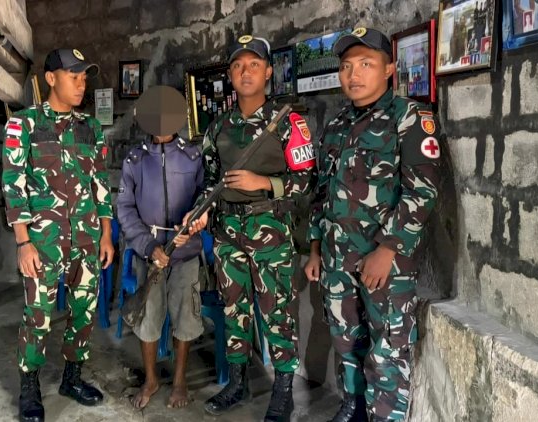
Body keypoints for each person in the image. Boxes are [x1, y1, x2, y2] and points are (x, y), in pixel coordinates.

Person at [304, 28, 441, 422]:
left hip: (386, 263)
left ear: (389, 69)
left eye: (366, 64)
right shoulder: (336, 125)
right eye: (347, 66)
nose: (354, 74)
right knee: (345, 339)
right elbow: (321, 193)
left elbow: (422, 191)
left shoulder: (409, 118)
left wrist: (387, 249)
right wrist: (315, 249)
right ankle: (354, 406)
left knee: (387, 349)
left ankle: (385, 416)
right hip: (336, 258)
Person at [186, 34, 316, 422]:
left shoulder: (289, 122)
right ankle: (238, 382)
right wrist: (202, 211)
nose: (246, 72)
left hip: (270, 229)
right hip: (227, 231)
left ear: (268, 72)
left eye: (254, 65)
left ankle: (283, 391)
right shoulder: (218, 128)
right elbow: (210, 183)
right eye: (238, 66)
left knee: (278, 312)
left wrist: (265, 183)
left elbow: (308, 180)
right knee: (234, 310)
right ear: (230, 74)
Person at [2, 48, 114, 422]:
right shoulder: (24, 125)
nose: (81, 85)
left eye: (84, 78)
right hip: (43, 242)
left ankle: (72, 378)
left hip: (86, 239)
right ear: (51, 78)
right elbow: (13, 185)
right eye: (73, 77)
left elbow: (101, 184)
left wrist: (106, 235)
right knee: (38, 316)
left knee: (84, 311)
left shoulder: (91, 128)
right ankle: (29, 386)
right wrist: (23, 242)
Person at [117, 86, 205, 410]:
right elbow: (125, 209)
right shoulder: (135, 159)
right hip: (150, 254)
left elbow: (204, 197)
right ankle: (151, 379)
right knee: (148, 316)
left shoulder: (193, 156)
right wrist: (148, 246)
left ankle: (179, 380)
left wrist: (196, 219)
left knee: (186, 316)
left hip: (185, 252)